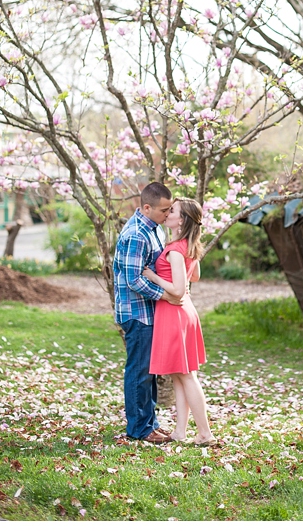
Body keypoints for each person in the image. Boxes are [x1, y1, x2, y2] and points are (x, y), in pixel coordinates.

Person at [111, 181, 180, 444]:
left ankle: (150, 423)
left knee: (149, 371)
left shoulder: (155, 229)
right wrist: (166, 296)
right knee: (139, 371)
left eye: (170, 209)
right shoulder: (136, 235)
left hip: (150, 312)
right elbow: (133, 280)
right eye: (164, 210)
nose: (167, 214)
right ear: (147, 207)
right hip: (136, 313)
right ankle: (139, 429)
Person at [146, 198, 216, 446]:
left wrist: (152, 275)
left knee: (186, 376)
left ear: (182, 220)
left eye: (172, 211)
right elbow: (194, 276)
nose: (167, 214)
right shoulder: (187, 246)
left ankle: (205, 433)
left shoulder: (176, 249)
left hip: (174, 311)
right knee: (179, 375)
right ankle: (180, 431)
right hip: (183, 312)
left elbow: (177, 290)